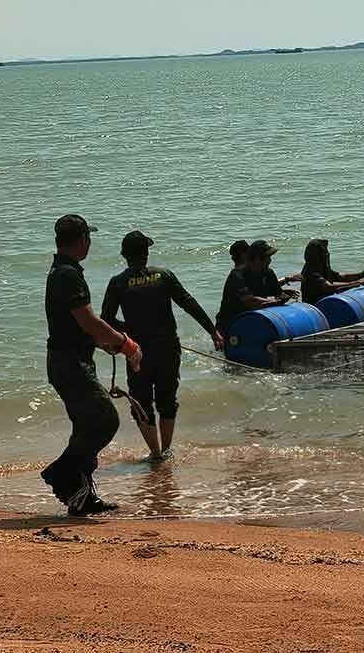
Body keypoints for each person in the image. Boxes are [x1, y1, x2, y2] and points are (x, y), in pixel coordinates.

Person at [41, 214, 143, 516]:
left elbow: (77, 326)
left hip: (68, 360)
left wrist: (103, 342)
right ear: (83, 240)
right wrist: (126, 344)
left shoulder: (62, 271)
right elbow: (88, 320)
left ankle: (81, 496)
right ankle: (62, 473)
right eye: (89, 238)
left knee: (86, 426)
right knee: (104, 420)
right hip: (70, 364)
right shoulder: (68, 275)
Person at [102, 230, 224, 461]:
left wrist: (127, 328)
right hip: (168, 347)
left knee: (141, 400)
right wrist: (212, 331)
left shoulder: (118, 283)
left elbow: (106, 319)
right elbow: (189, 303)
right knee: (167, 400)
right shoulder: (164, 276)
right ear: (146, 254)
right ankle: (166, 451)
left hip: (136, 351)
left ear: (124, 255)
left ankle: (155, 453)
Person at [215, 240, 298, 334]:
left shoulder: (268, 273)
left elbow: (278, 294)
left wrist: (284, 296)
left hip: (254, 320)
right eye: (268, 257)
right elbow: (250, 300)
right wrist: (272, 302)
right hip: (230, 324)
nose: (270, 260)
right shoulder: (237, 275)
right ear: (257, 259)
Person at [300, 239, 364, 305]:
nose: (327, 255)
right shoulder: (312, 272)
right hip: (316, 307)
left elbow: (341, 277)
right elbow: (329, 287)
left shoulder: (320, 268)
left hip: (326, 302)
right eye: (325, 253)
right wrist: (354, 284)